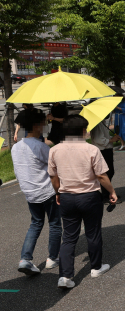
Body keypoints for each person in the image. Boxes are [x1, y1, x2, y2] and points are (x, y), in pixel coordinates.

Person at [48, 115, 117, 289]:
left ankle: (65, 276)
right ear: (83, 130)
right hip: (89, 196)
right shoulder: (91, 149)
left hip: (67, 197)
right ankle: (96, 267)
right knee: (93, 232)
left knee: (69, 237)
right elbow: (101, 175)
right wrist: (112, 191)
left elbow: (53, 177)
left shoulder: (55, 150)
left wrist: (58, 192)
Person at [12, 109, 61, 276]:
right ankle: (52, 258)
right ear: (36, 125)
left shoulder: (16, 148)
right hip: (47, 191)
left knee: (36, 223)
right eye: (43, 122)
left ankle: (25, 259)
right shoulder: (41, 147)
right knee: (54, 224)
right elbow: (54, 169)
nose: (44, 125)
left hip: (30, 192)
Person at [90, 114, 122, 204]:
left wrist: (112, 138)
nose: (108, 114)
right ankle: (105, 196)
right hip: (102, 151)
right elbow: (98, 139)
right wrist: (111, 140)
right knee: (106, 173)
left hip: (106, 149)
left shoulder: (102, 123)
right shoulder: (97, 124)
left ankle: (107, 193)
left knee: (110, 172)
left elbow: (103, 138)